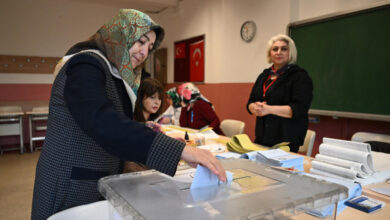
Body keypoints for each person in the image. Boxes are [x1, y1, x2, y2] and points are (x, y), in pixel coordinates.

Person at [31, 9, 226, 220]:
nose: (144, 52)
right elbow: (103, 122)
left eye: (149, 48)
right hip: (70, 183)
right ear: (119, 34)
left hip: (95, 179)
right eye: (140, 42)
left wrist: (149, 133)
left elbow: (116, 123)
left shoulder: (113, 72)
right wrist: (180, 151)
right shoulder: (85, 64)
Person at [247, 34, 313, 153]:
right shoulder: (264, 76)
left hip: (286, 140)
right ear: (270, 53)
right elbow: (250, 102)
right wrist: (254, 108)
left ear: (290, 52)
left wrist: (268, 109)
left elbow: (299, 109)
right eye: (275, 49)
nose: (279, 52)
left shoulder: (300, 76)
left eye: (284, 49)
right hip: (262, 137)